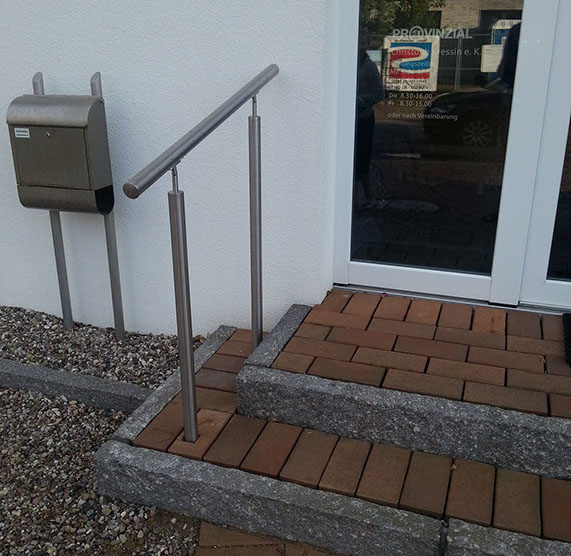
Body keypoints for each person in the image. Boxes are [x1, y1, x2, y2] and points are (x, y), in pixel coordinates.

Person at [355, 28, 384, 210]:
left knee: (362, 160)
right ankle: (353, 199)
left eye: (363, 43)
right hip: (347, 120)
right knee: (348, 160)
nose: (360, 46)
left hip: (363, 119)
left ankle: (368, 197)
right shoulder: (344, 62)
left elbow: (379, 93)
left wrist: (360, 101)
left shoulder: (368, 66)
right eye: (358, 42)